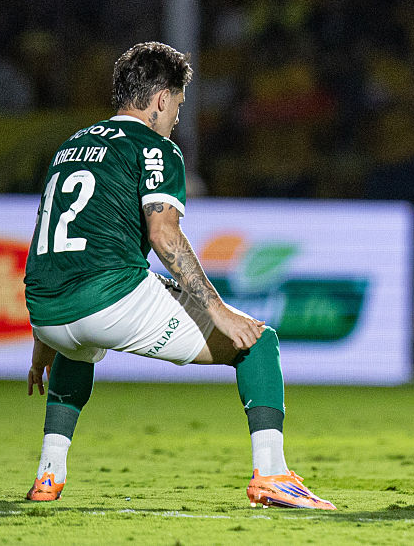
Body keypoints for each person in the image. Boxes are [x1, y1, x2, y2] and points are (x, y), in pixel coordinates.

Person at [22, 42, 335, 509]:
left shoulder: (72, 145)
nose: (176, 118)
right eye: (179, 105)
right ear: (163, 98)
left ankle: (49, 474)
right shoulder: (154, 147)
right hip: (110, 302)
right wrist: (218, 310)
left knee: (80, 345)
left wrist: (44, 342)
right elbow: (165, 236)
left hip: (46, 310)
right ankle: (271, 474)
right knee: (257, 343)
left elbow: (55, 243)